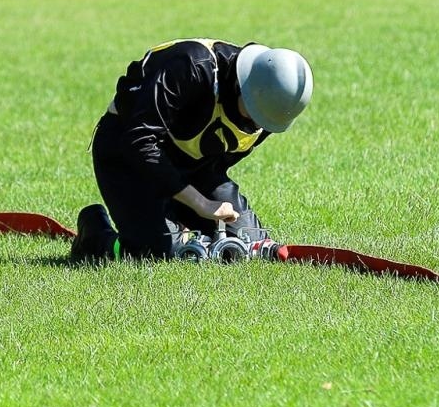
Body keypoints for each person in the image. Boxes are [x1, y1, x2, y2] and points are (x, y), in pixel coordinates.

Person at [69, 39, 313, 263]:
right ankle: (94, 236)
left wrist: (200, 203)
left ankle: (173, 215)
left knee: (246, 242)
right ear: (242, 86)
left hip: (194, 165)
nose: (257, 126)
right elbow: (139, 140)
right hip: (127, 156)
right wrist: (199, 204)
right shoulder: (191, 66)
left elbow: (217, 159)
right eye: (255, 116)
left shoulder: (269, 110)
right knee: (157, 251)